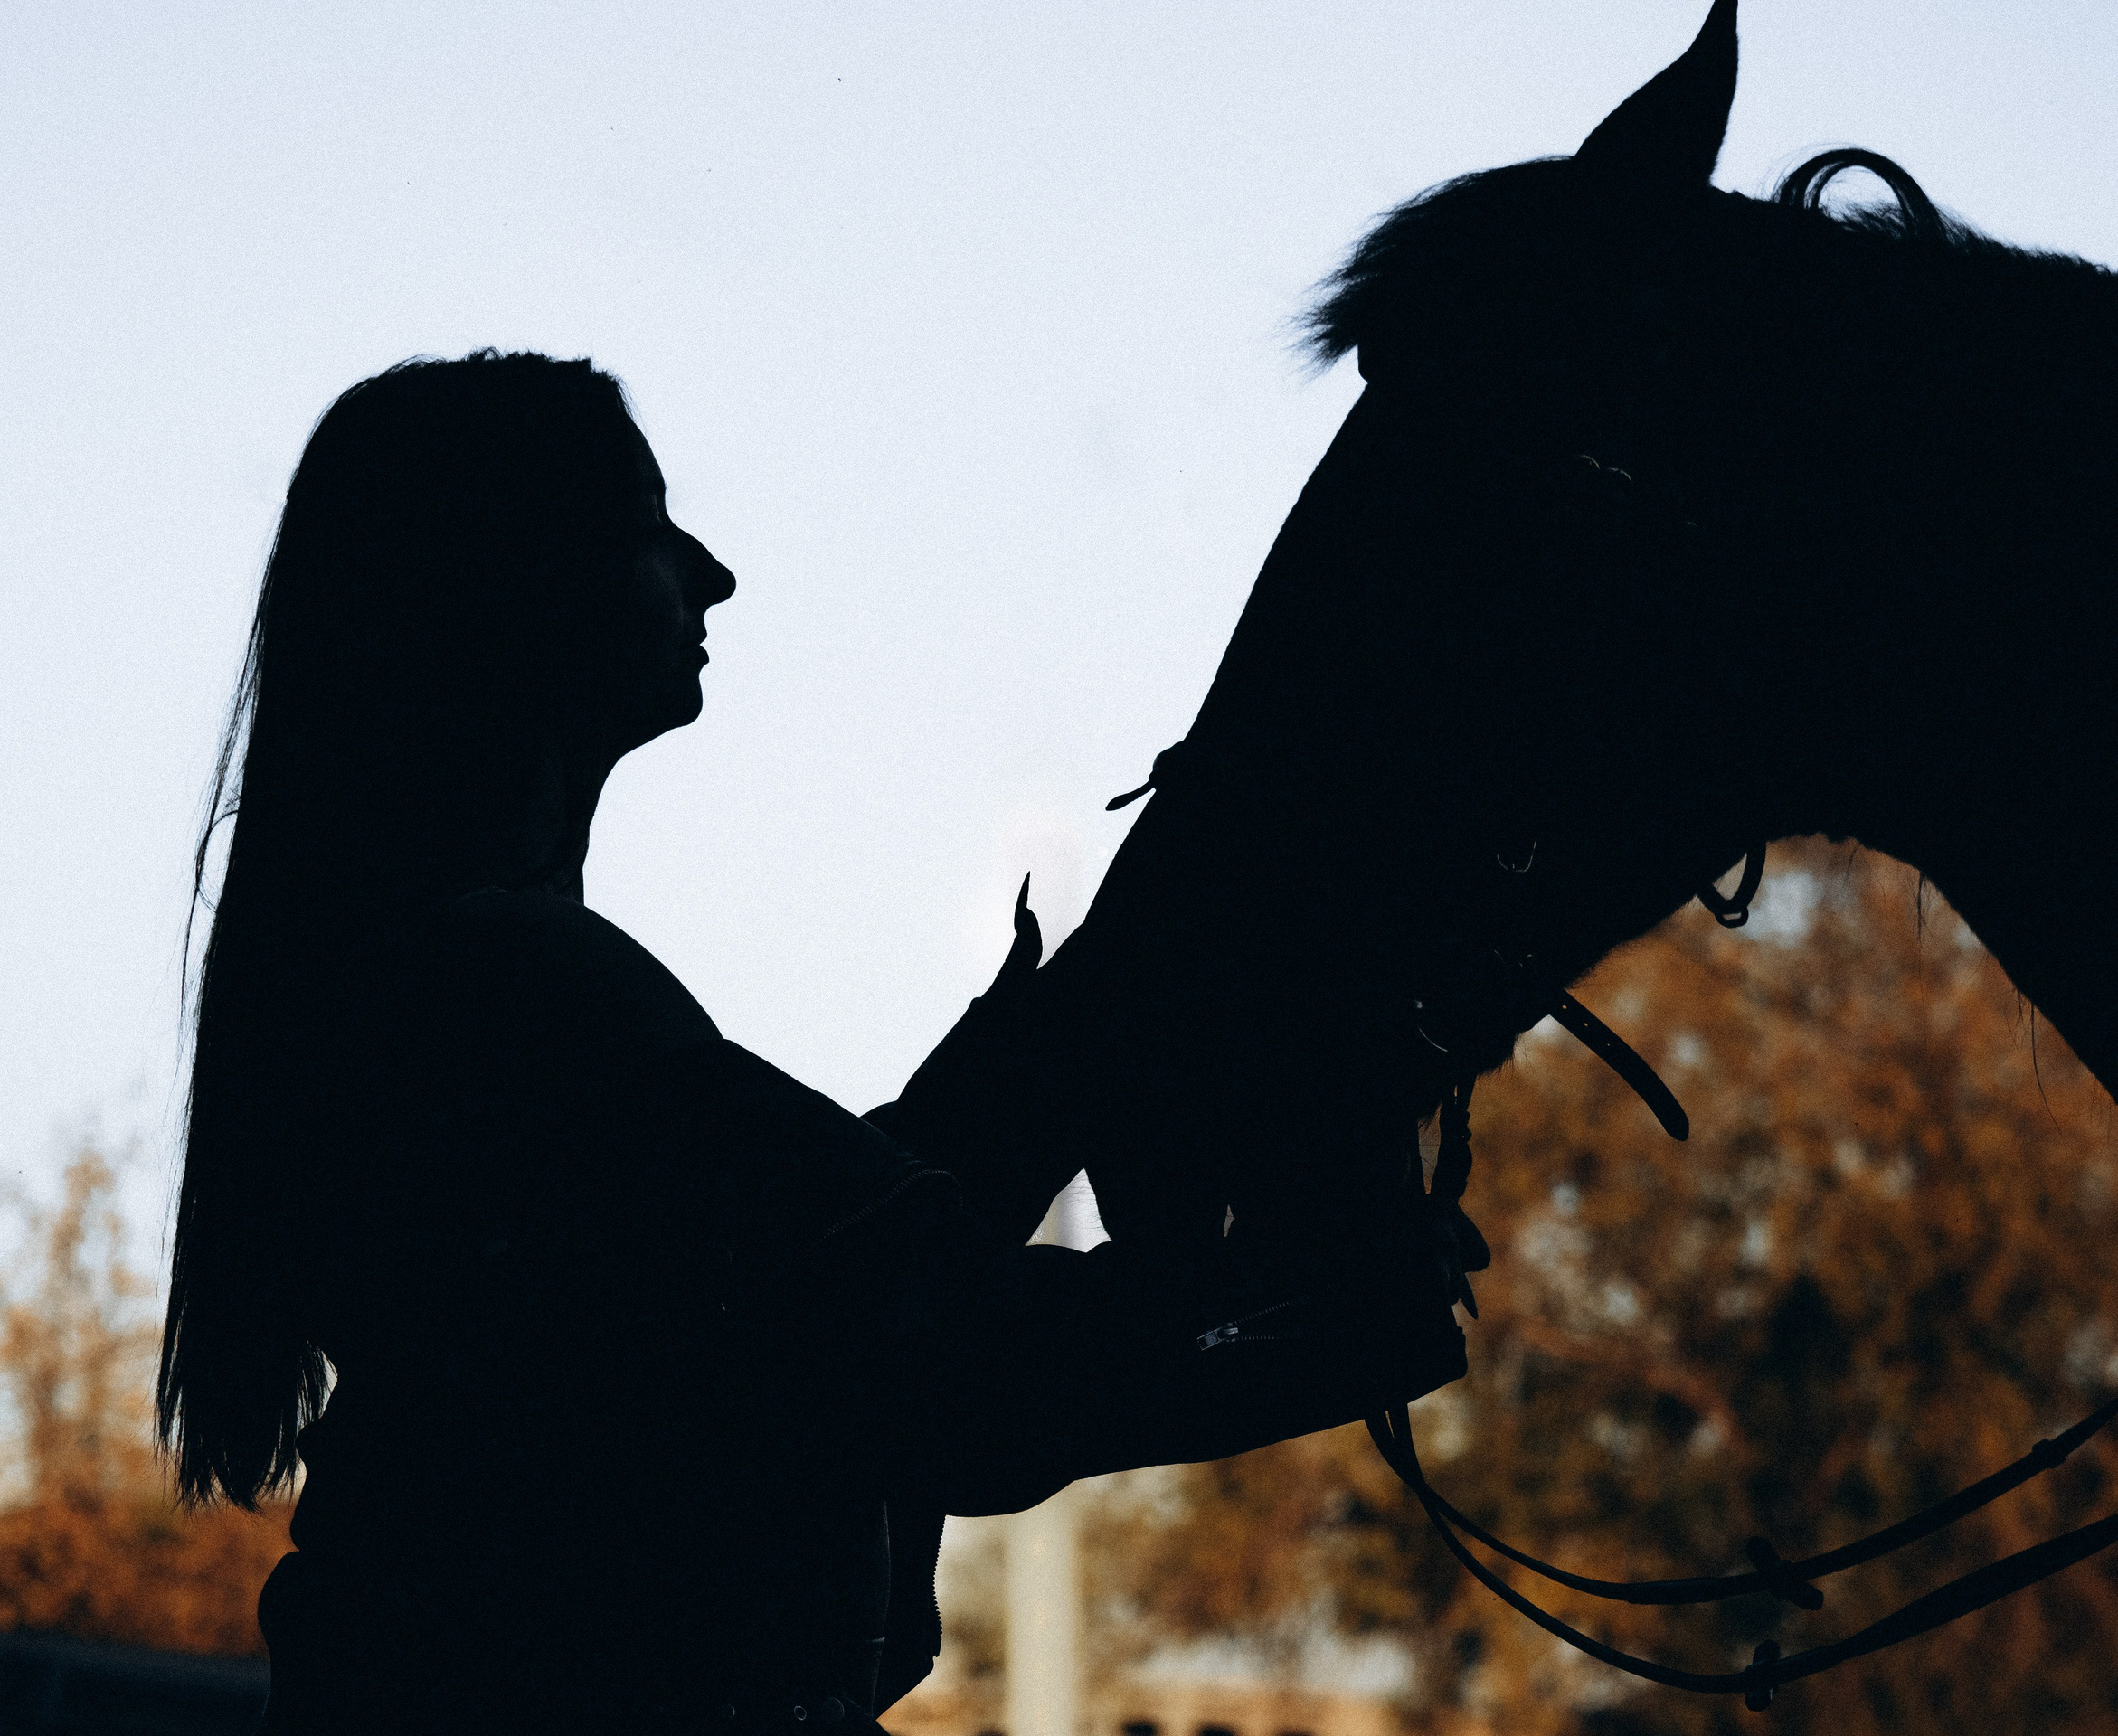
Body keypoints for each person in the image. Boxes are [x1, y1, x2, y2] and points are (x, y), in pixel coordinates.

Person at [158, 349, 1467, 1735]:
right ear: (514, 586)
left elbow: (777, 1288)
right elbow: (938, 1355)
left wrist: (1069, 1029)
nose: (712, 574)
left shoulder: (439, 987)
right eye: (648, 524)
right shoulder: (517, 996)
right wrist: (1328, 1301)